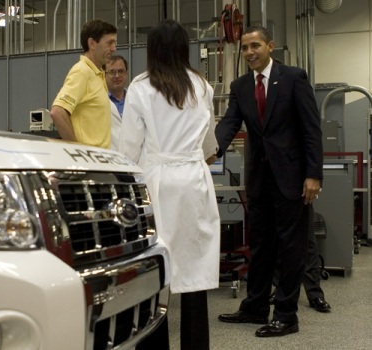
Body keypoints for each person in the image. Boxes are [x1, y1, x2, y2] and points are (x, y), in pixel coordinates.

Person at [215, 26, 323, 337]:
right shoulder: (240, 86)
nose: (249, 52)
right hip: (259, 180)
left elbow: (311, 130)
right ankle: (255, 307)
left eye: (255, 46)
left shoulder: (293, 78)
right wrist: (210, 150)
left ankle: (287, 315)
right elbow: (229, 124)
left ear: (270, 46)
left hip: (292, 178)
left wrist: (313, 174)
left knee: (291, 247)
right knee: (260, 245)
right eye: (245, 48)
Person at [118, 19, 220, 350]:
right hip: (193, 182)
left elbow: (129, 150)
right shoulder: (202, 86)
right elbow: (209, 145)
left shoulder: (140, 87)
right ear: (183, 48)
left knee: (154, 272)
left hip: (156, 183)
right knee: (194, 272)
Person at [49, 19, 117, 148]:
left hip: (99, 160)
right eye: (109, 43)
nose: (114, 48)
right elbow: (57, 112)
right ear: (92, 43)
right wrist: (78, 150)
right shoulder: (82, 72)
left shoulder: (97, 74)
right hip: (90, 163)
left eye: (114, 43)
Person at [270, 205, 331, 312]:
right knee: (279, 241)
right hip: (276, 193)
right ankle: (280, 289)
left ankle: (314, 294)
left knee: (308, 243)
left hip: (300, 193)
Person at [103, 55, 128, 150]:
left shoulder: (136, 100)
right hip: (109, 157)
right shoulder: (98, 102)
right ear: (104, 75)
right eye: (112, 72)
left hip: (136, 159)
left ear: (126, 74)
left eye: (121, 71)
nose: (117, 76)